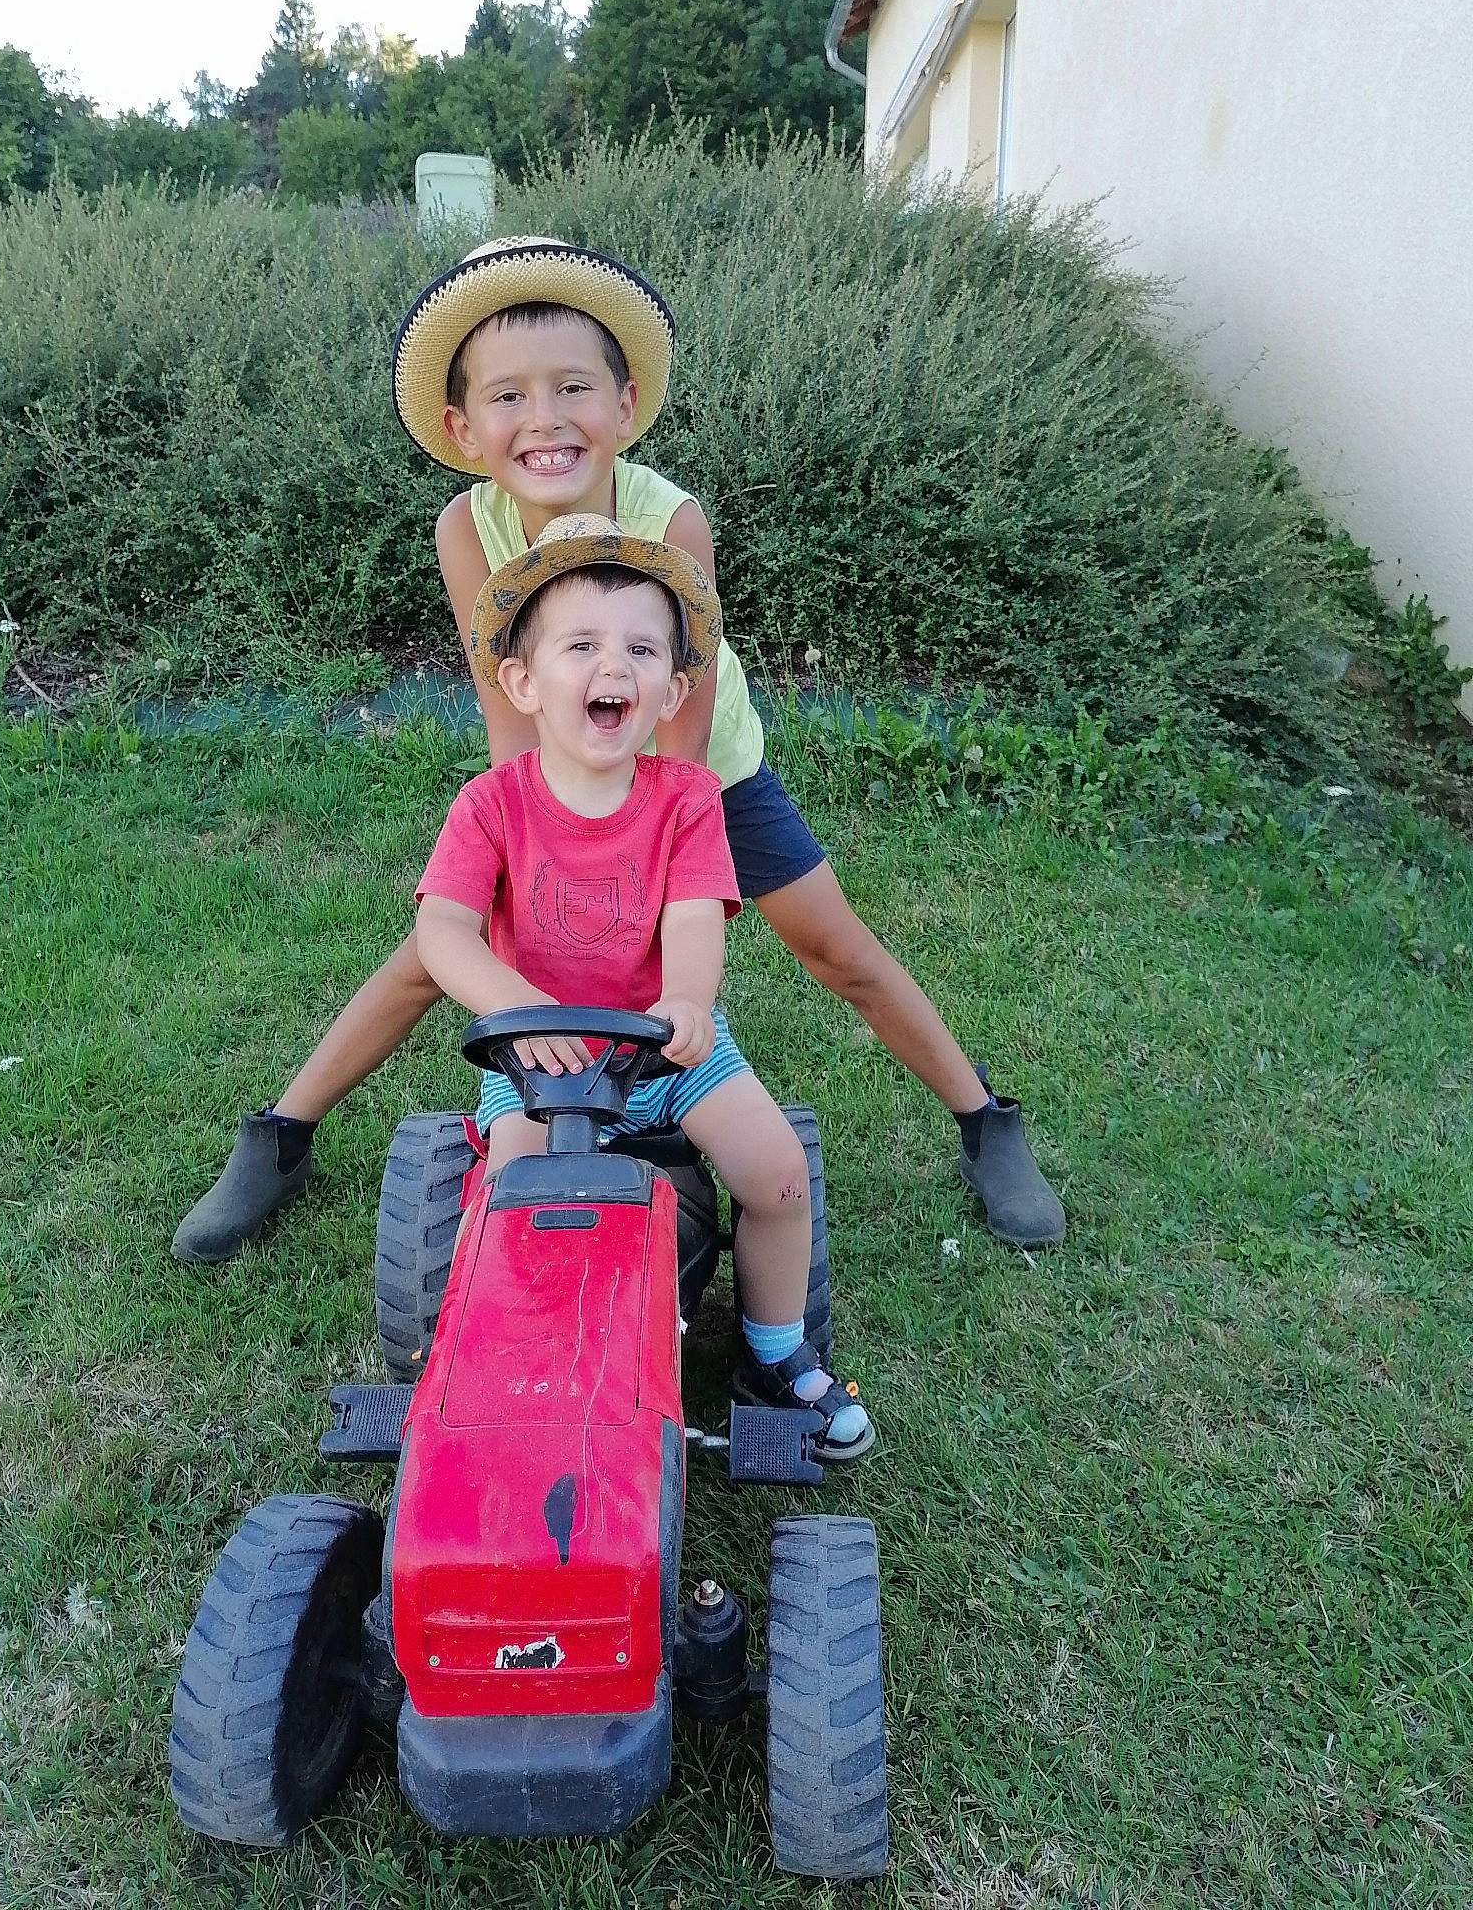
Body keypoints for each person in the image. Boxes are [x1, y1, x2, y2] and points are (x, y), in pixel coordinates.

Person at [174, 237, 1065, 1263]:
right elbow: (500, 694)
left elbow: (680, 707)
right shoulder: (467, 529)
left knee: (835, 946)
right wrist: (530, 820)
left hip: (697, 769)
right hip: (558, 771)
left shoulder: (669, 517)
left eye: (572, 387)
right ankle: (280, 1133)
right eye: (508, 395)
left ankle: (984, 1119)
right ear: (463, 427)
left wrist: (646, 830)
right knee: (441, 950)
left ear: (626, 403)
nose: (544, 417)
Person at [413, 510, 872, 1457]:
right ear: (523, 680)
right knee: (516, 1206)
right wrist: (516, 1007)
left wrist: (689, 1002)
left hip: (665, 1051)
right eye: (581, 643)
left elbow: (693, 915)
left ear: (671, 688)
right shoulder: (491, 806)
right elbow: (442, 931)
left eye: (641, 648)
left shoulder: (686, 800)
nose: (611, 666)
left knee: (780, 1175)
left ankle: (774, 1353)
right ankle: (516, 1362)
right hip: (537, 1056)